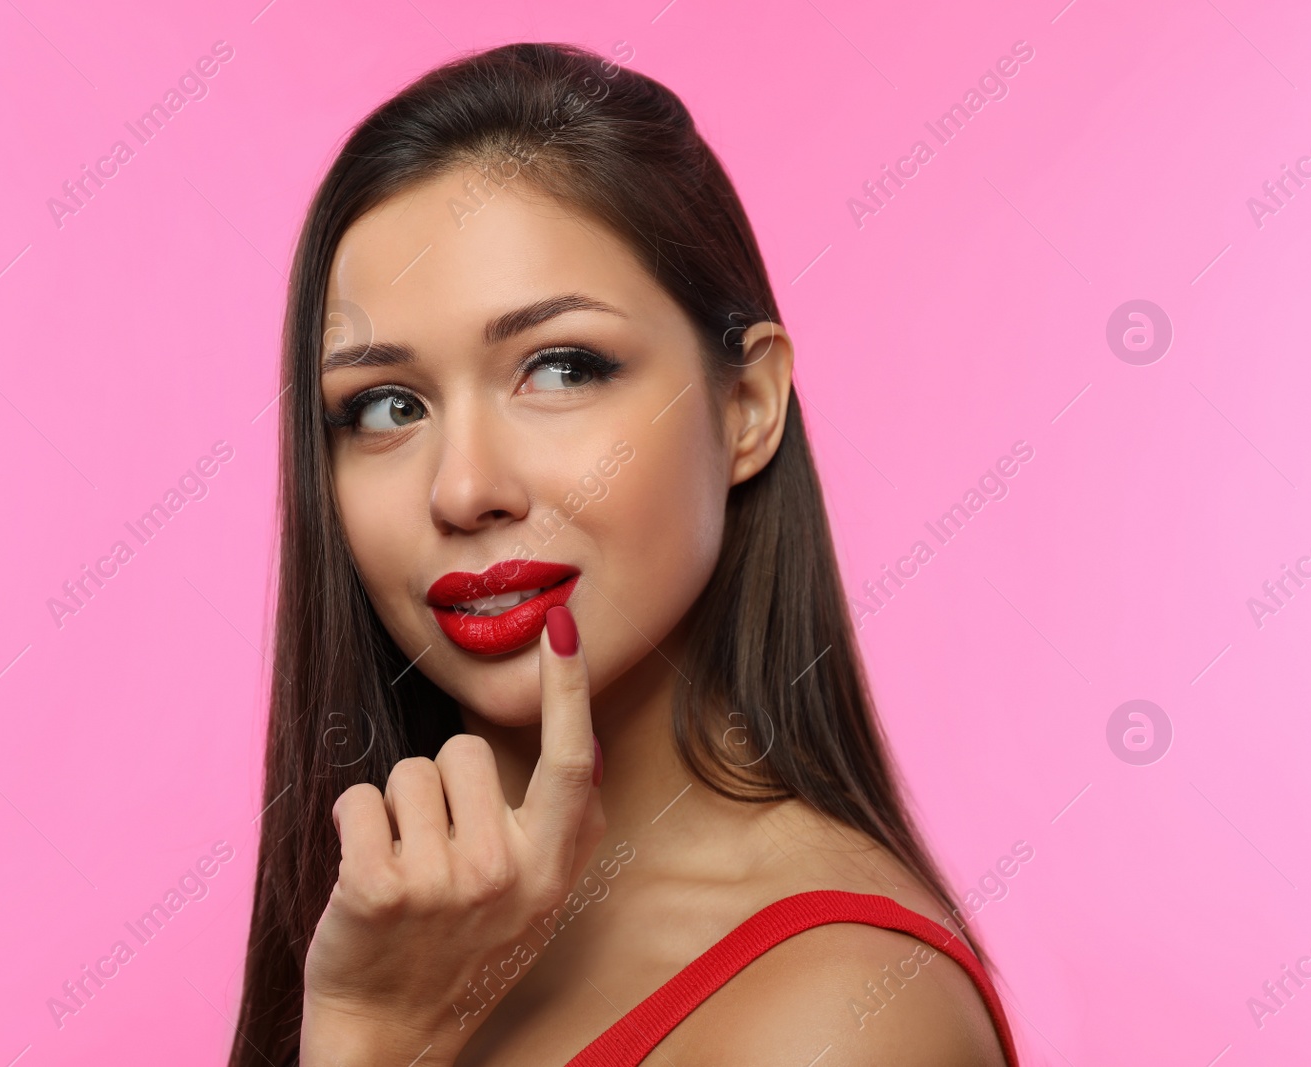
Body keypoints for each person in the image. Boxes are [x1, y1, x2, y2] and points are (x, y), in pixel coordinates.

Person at [230, 41, 1018, 1067]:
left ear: (746, 406)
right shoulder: (387, 920)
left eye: (560, 368)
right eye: (387, 405)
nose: (464, 488)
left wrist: (372, 1042)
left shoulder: (845, 1015)